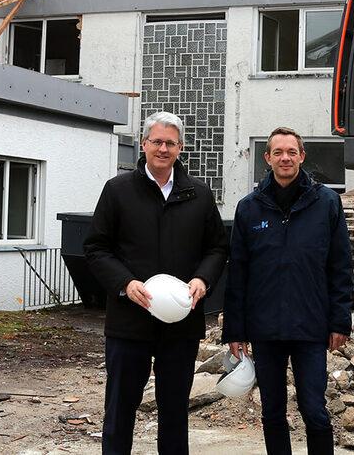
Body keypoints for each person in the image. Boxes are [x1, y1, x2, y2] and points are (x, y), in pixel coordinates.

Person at [84, 111, 228, 455]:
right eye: (157, 142)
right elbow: (96, 247)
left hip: (181, 323)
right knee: (120, 409)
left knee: (175, 411)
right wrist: (124, 283)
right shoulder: (118, 191)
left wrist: (202, 279)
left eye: (171, 143)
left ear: (180, 148)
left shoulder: (199, 194)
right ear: (144, 143)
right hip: (129, 321)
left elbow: (218, 247)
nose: (163, 149)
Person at [223, 126, 353, 455]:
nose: (285, 158)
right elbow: (238, 272)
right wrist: (234, 330)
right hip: (265, 329)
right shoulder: (250, 208)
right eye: (278, 152)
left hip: (311, 327)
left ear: (302, 157)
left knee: (314, 411)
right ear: (267, 158)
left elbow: (340, 266)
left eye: (291, 152)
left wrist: (339, 322)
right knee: (273, 413)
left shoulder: (326, 203)